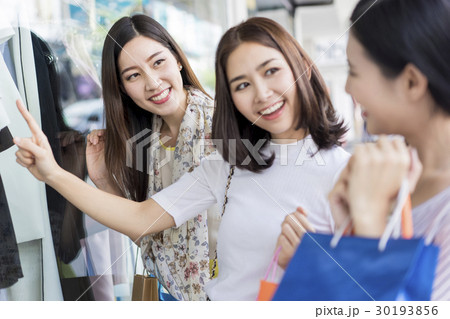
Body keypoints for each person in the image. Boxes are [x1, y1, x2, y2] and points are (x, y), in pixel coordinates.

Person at [14, 17, 350, 300]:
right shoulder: (211, 161)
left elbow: (368, 291)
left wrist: (312, 264)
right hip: (173, 294)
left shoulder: (342, 172)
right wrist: (64, 174)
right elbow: (143, 224)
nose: (262, 94)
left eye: (271, 71)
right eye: (242, 84)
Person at [277, 0, 450, 300]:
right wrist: (346, 234)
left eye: (354, 71)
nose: (346, 88)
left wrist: (367, 227)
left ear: (411, 82)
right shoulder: (395, 175)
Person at [84, 15, 218, 301]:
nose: (153, 82)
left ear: (178, 59)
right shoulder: (148, 140)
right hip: (167, 293)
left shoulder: (222, 129)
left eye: (158, 62)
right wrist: (103, 180)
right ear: (121, 88)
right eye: (133, 75)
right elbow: (144, 233)